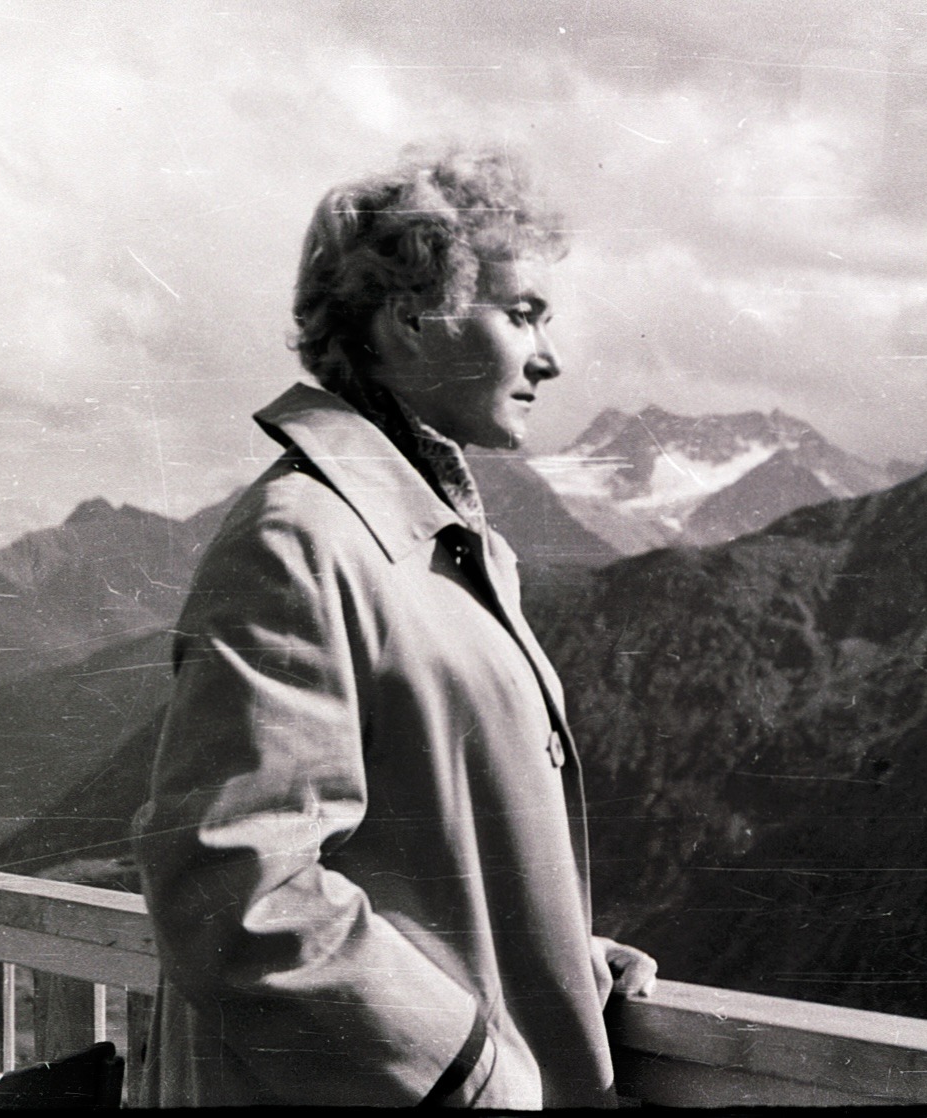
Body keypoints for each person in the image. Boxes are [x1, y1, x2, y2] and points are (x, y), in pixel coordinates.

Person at [131, 147, 656, 1108]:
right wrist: (471, 1070)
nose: (550, 356)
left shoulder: (422, 537)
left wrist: (537, 951)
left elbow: (410, 836)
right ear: (411, 321)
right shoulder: (302, 539)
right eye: (524, 313)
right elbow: (236, 882)